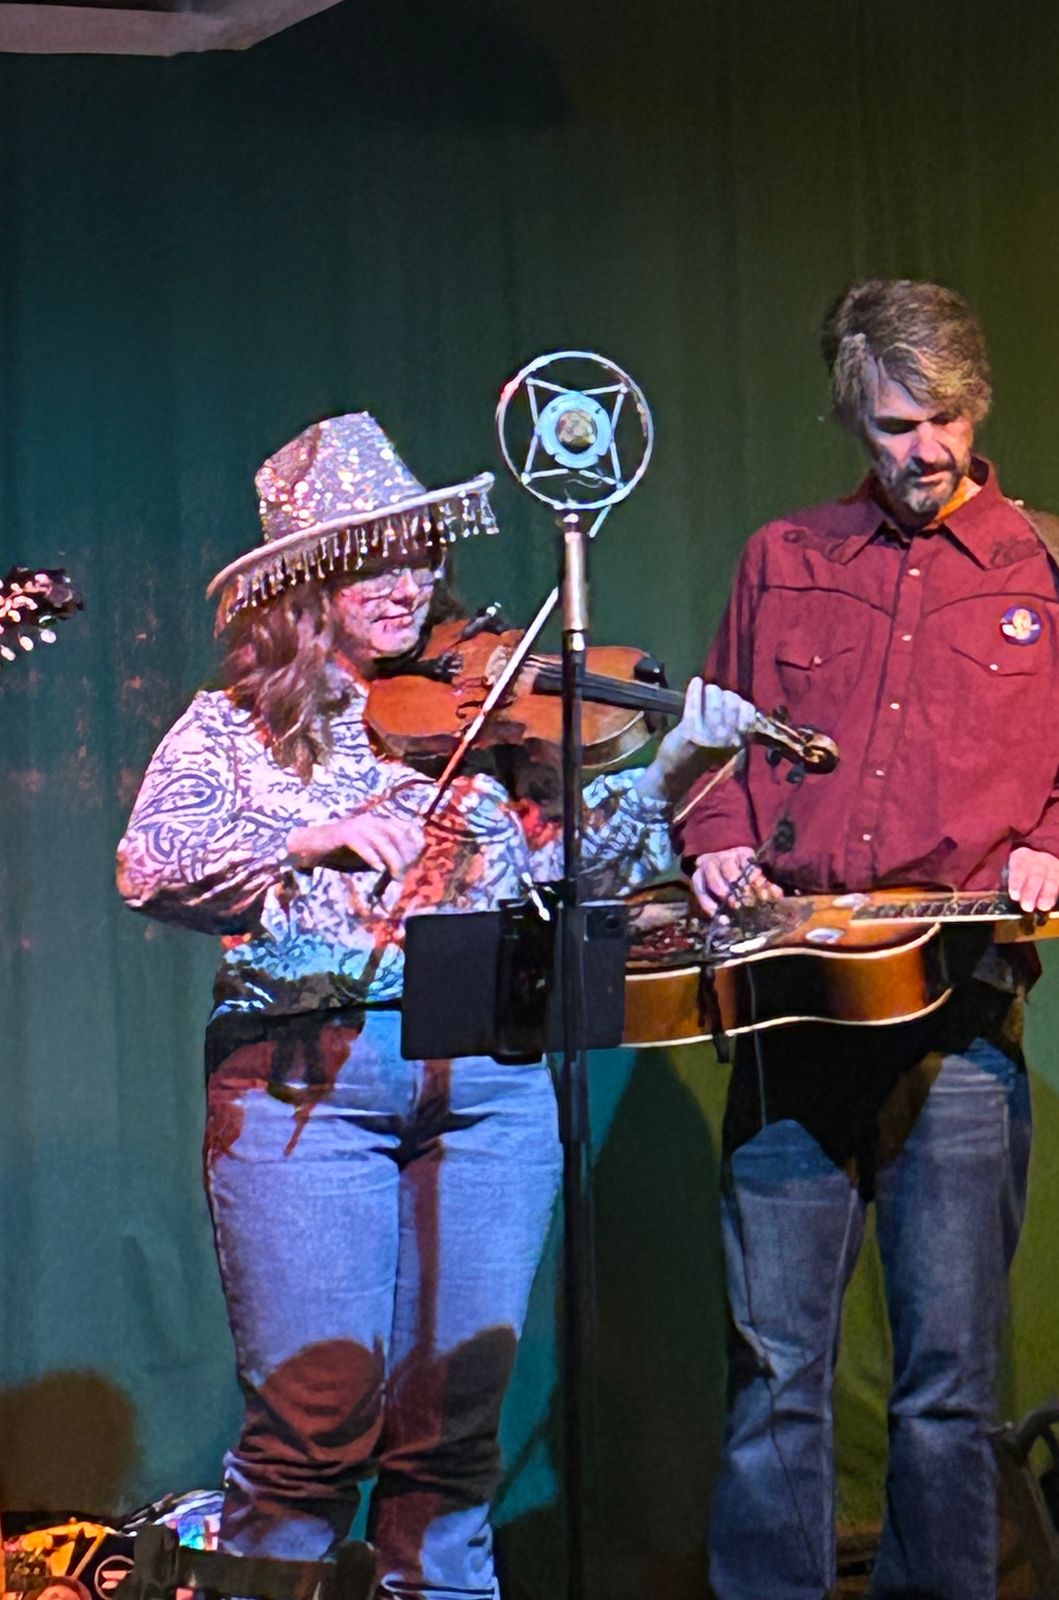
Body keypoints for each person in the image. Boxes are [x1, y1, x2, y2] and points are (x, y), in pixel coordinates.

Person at [116, 411, 758, 1600]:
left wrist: (675, 771)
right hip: (304, 1085)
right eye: (374, 562)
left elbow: (583, 874)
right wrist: (306, 834)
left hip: (490, 1080)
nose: (408, 584)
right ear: (306, 584)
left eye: (421, 556)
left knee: (455, 1435)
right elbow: (152, 863)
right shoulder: (235, 728)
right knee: (311, 1425)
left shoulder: (492, 706)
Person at [676, 281, 1059, 1600]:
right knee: (776, 1368)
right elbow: (708, 754)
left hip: (962, 1019)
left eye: (944, 420)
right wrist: (714, 838)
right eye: (894, 425)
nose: (924, 450)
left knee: (949, 1384)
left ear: (976, 408)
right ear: (852, 420)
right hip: (793, 1010)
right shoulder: (785, 557)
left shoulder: (1055, 567)